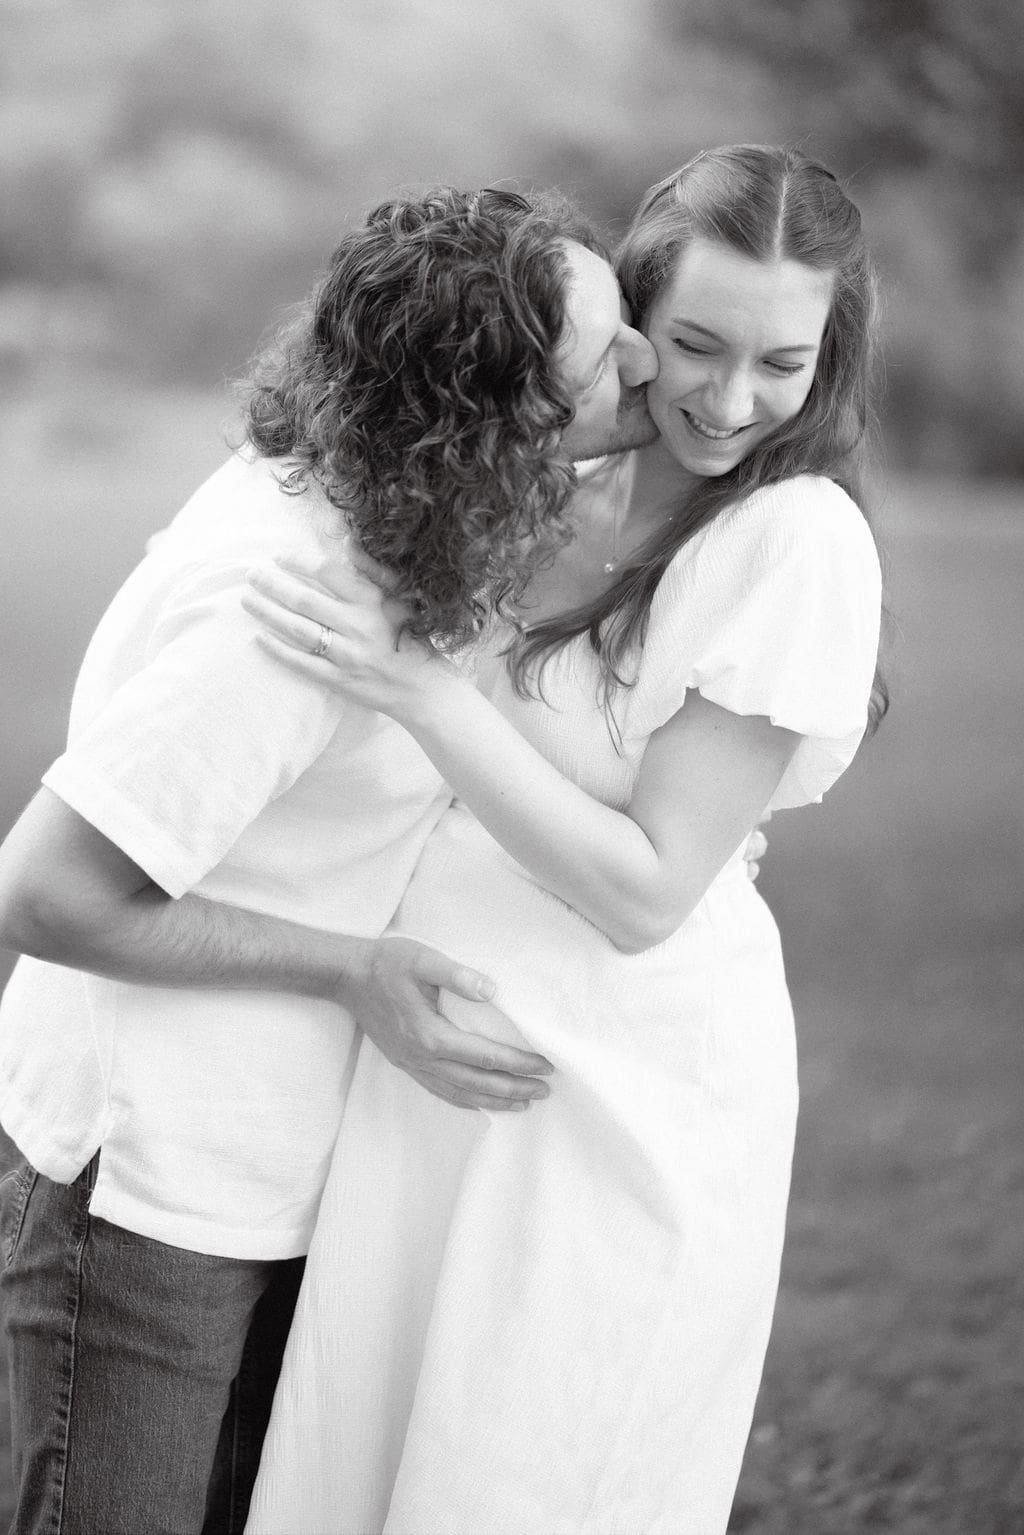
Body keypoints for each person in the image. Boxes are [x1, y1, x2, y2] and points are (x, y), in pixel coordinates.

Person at [0, 188, 666, 1534]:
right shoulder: (293, 610)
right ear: (497, 424)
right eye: (607, 359)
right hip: (144, 1198)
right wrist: (354, 971)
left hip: (267, 1172)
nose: (647, 358)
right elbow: (44, 892)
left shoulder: (398, 515)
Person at [241, 144, 886, 1535]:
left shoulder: (795, 542)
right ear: (626, 317)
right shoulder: (554, 474)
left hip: (621, 1086)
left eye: (781, 362)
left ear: (829, 356)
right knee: (361, 1461)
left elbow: (647, 891)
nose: (727, 400)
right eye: (695, 344)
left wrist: (433, 684)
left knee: (525, 1476)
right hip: (433, 1068)